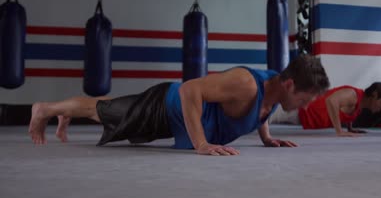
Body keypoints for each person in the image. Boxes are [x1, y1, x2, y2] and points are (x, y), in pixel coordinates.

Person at [29, 54, 330, 156]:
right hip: (166, 106)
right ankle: (45, 109)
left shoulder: (273, 88)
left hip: (172, 117)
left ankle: (63, 111)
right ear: (290, 84)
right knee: (102, 111)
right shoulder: (246, 83)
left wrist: (266, 137)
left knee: (104, 108)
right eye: (304, 99)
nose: (302, 106)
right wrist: (201, 144)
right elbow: (190, 89)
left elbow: (261, 110)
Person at [270, 83, 381, 137]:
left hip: (306, 117)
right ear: (375, 94)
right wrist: (339, 131)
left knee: (264, 116)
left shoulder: (360, 106)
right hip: (300, 108)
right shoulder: (353, 95)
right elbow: (331, 101)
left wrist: (350, 128)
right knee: (264, 115)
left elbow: (346, 112)